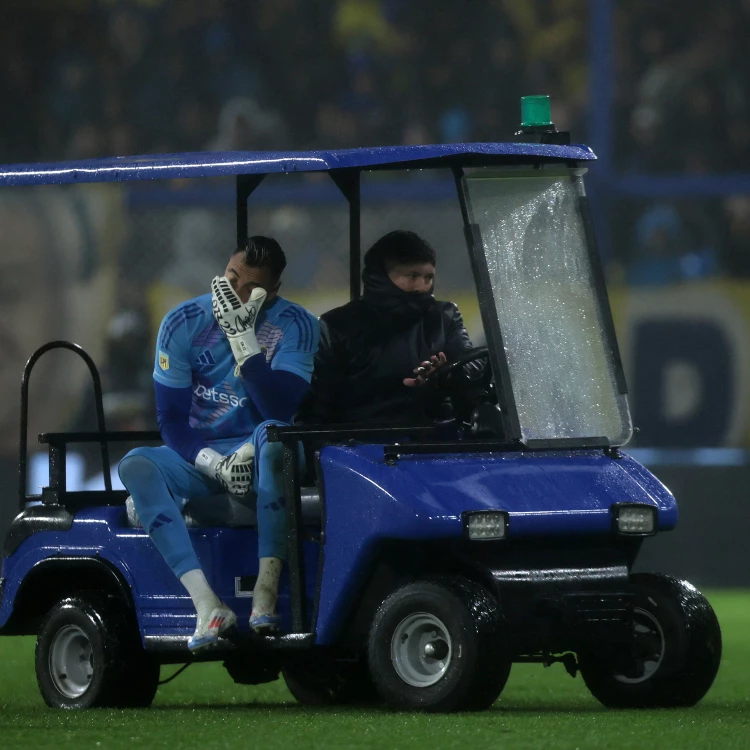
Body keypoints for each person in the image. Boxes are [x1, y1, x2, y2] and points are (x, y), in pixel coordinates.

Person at [118, 236, 319, 650]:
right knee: (136, 464)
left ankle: (265, 593)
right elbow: (170, 419)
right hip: (205, 456)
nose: (235, 294)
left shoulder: (297, 325)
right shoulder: (182, 322)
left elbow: (281, 407)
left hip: (265, 446)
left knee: (273, 438)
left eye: (250, 288)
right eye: (231, 279)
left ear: (273, 291)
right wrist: (214, 463)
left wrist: (244, 340)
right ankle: (208, 605)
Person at [303, 230, 487, 426]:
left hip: (437, 434)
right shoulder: (336, 326)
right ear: (380, 276)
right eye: (413, 276)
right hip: (359, 441)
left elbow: (472, 368)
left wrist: (447, 374)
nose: (422, 286)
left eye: (428, 277)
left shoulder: (444, 317)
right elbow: (319, 404)